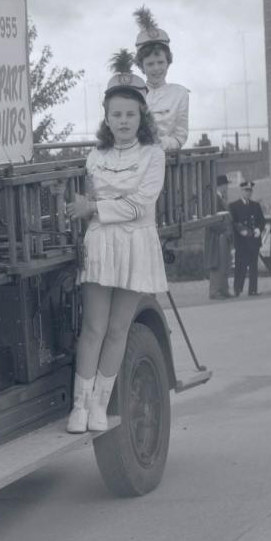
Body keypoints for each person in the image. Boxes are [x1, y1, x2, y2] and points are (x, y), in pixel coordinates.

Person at [65, 80, 167, 433]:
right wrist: (91, 209)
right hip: (101, 243)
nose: (123, 121)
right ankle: (78, 407)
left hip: (135, 245)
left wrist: (93, 207)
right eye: (116, 115)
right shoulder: (96, 157)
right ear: (106, 119)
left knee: (118, 329)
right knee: (93, 327)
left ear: (142, 117)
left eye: (130, 114)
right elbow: (88, 200)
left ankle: (99, 406)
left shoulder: (154, 155)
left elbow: (141, 206)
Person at [133, 5, 189, 151]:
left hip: (166, 164)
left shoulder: (180, 94)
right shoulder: (132, 93)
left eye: (161, 62)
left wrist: (159, 144)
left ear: (168, 62)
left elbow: (179, 137)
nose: (156, 68)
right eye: (150, 64)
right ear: (141, 66)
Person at [230, 178, 267, 296]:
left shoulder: (255, 205)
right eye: (246, 190)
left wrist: (258, 229)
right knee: (240, 266)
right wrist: (241, 231)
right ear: (241, 191)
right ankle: (237, 289)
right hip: (241, 241)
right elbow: (233, 223)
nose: (248, 193)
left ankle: (253, 290)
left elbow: (262, 221)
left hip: (253, 241)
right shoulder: (234, 205)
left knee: (253, 267)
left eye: (250, 190)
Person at [205, 175, 234, 299]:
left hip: (223, 236)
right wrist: (225, 230)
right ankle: (215, 291)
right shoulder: (213, 199)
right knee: (217, 263)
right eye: (225, 184)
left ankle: (223, 290)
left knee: (225, 263)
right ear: (220, 185)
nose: (227, 187)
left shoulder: (220, 198)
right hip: (217, 237)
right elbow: (211, 221)